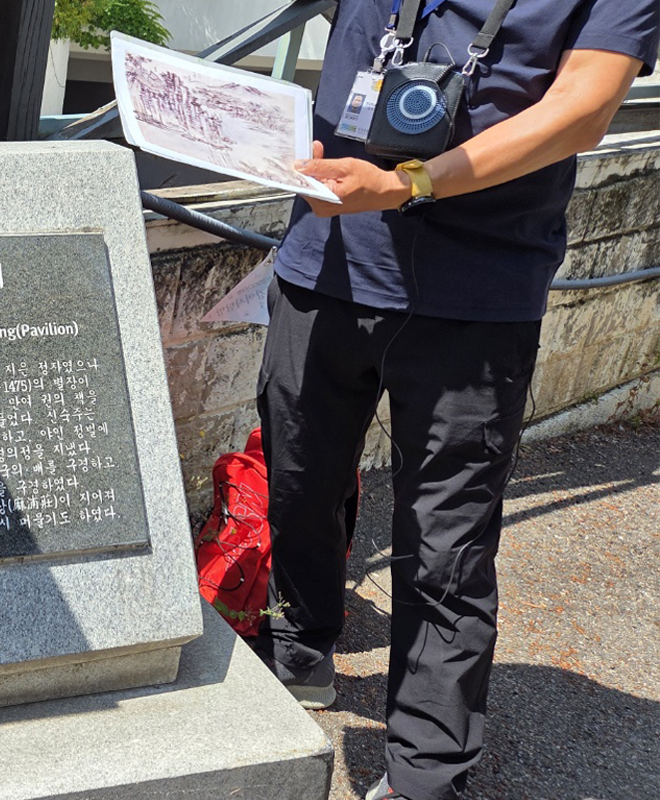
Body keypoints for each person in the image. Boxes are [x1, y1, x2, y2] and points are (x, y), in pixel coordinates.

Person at [250, 0, 659, 798]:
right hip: (325, 264)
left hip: (480, 290)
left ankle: (427, 770)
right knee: (298, 477)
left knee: (447, 539)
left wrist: (411, 183)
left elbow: (584, 108)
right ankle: (302, 643)